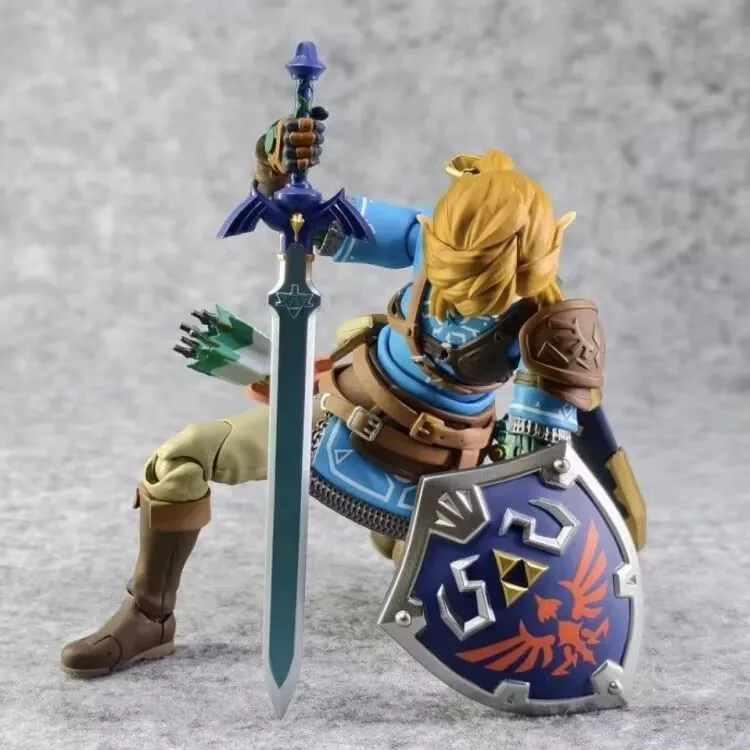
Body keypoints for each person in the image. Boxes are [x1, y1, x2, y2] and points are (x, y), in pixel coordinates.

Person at [61, 113, 645, 678]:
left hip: (428, 478)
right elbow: (309, 221)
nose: (458, 290)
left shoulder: (551, 326)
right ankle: (148, 616)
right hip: (329, 416)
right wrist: (277, 166)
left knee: (424, 582)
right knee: (180, 459)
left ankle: (418, 562)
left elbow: (531, 469)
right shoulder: (428, 239)